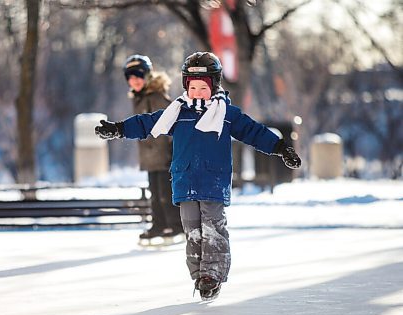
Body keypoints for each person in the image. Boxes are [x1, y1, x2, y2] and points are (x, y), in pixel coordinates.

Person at [95, 51, 301, 301]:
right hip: (185, 182)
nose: (197, 93)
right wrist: (118, 129)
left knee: (212, 228)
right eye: (193, 88)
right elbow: (147, 123)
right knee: (192, 230)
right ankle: (198, 275)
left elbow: (253, 131)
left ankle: (211, 275)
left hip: (213, 181)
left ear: (214, 86)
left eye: (203, 88)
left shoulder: (226, 113)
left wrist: (280, 148)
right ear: (185, 86)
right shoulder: (177, 112)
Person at [122, 54, 183, 243]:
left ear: (147, 76)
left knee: (166, 193)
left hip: (164, 155)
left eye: (138, 76)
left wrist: (172, 151)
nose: (135, 81)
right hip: (150, 156)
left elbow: (172, 121)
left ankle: (175, 226)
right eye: (130, 77)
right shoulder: (139, 98)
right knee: (155, 194)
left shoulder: (156, 97)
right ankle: (158, 225)